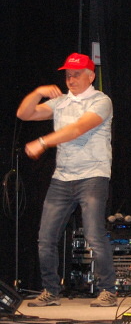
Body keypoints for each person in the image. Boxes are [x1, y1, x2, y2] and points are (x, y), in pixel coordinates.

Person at [17, 53, 118, 308]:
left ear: (90, 76)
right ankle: (51, 291)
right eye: (68, 75)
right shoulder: (61, 102)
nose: (71, 79)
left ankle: (108, 290)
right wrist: (38, 92)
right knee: (46, 238)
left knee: (94, 235)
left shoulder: (101, 101)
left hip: (92, 175)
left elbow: (77, 129)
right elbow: (24, 114)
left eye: (76, 75)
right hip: (62, 177)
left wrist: (42, 142)